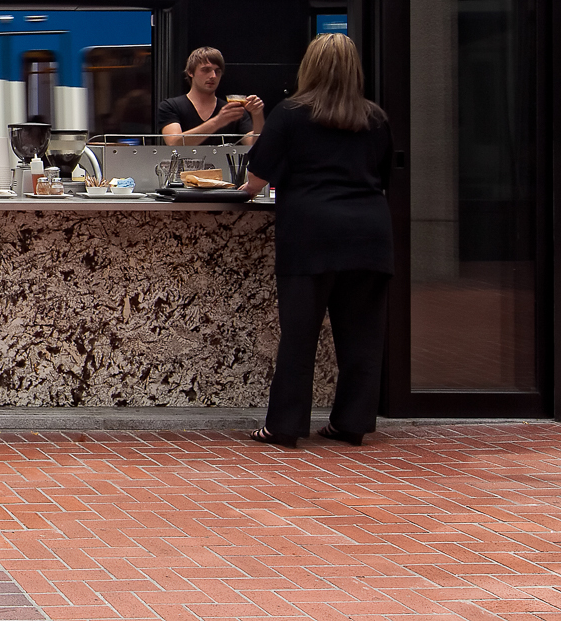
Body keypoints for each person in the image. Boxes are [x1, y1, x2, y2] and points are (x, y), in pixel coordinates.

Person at [240, 32, 392, 448]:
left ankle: (285, 426)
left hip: (311, 235)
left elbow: (254, 182)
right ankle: (351, 423)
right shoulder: (375, 117)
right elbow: (385, 178)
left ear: (309, 67)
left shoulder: (291, 113)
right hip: (369, 234)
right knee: (362, 337)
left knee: (300, 335)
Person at [158, 46, 265, 147]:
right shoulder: (170, 106)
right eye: (206, 70)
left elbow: (255, 146)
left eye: (217, 71)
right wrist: (218, 121)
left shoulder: (234, 111)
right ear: (190, 72)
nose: (213, 76)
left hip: (224, 166)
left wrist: (257, 114)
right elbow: (173, 143)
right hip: (185, 166)